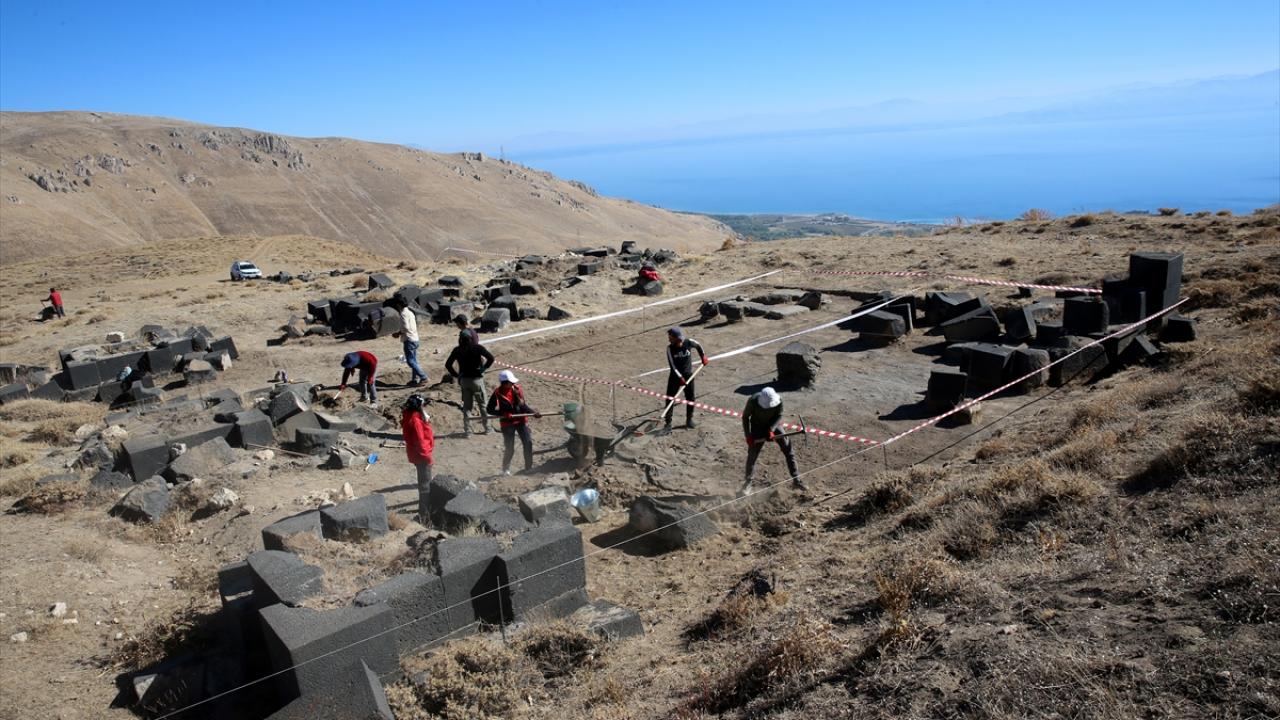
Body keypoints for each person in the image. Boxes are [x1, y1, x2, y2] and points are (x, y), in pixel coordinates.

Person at [741, 387, 803, 493]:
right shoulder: (753, 400)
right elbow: (745, 417)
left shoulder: (779, 401)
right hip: (757, 427)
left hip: (773, 425)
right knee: (752, 455)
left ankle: (796, 479)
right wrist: (748, 436)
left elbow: (779, 415)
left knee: (788, 450)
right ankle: (748, 483)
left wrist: (771, 429)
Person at [486, 369, 539, 475]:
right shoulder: (497, 393)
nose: (513, 383)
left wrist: (533, 412)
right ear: (505, 383)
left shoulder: (517, 389)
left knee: (528, 443)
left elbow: (523, 406)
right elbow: (489, 409)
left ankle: (528, 468)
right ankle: (505, 470)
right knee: (510, 448)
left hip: (521, 420)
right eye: (511, 382)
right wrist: (502, 413)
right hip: (507, 423)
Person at [445, 331, 495, 435]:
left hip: (464, 381)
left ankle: (468, 430)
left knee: (467, 406)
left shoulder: (457, 350)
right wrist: (483, 368)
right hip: (477, 380)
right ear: (470, 338)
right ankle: (488, 428)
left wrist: (457, 375)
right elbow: (491, 358)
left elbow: (448, 365)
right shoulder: (477, 348)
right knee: (482, 404)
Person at [664, 327, 708, 430]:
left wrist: (703, 356)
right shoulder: (670, 349)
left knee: (690, 398)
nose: (669, 339)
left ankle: (689, 420)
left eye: (671, 337)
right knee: (670, 399)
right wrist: (680, 377)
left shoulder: (688, 342)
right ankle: (668, 423)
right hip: (675, 377)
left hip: (689, 376)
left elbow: (698, 345)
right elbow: (672, 366)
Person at [401, 394, 435, 523]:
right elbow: (420, 442)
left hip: (415, 454)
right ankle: (424, 517)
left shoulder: (409, 416)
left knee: (423, 483)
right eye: (423, 405)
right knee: (425, 486)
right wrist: (428, 457)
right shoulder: (415, 421)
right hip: (421, 456)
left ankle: (424, 513)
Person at [391, 299, 428, 386]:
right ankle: (415, 379)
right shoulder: (410, 312)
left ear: (399, 305)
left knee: (410, 361)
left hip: (409, 340)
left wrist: (398, 333)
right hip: (415, 338)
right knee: (414, 361)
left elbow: (406, 328)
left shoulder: (403, 314)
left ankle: (424, 377)